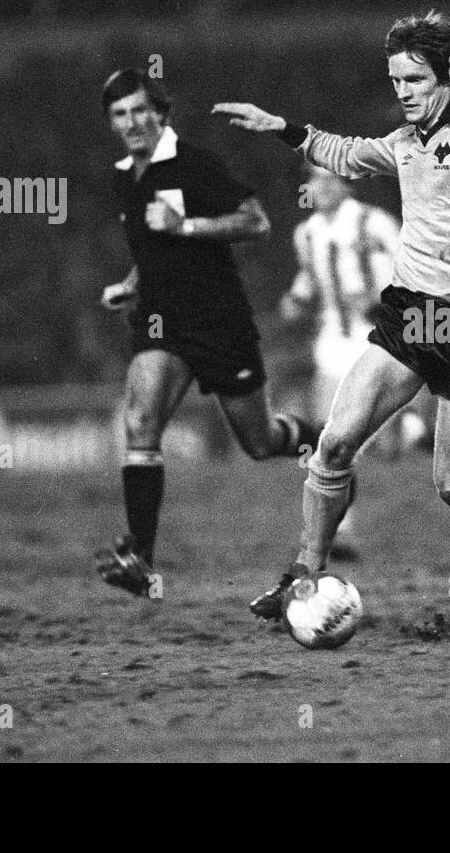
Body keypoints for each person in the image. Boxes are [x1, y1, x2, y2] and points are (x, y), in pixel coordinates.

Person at [213, 10, 450, 618]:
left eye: (414, 80)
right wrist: (282, 128)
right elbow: (346, 155)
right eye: (395, 80)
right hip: (410, 315)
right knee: (334, 443)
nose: (402, 92)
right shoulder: (403, 143)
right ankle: (304, 574)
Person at [95, 68, 320, 597]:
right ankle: (140, 558)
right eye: (119, 115)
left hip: (218, 321)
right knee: (141, 418)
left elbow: (256, 221)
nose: (131, 123)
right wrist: (131, 284)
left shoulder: (195, 165)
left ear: (161, 114)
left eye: (139, 111)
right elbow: (150, 250)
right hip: (161, 321)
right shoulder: (124, 175)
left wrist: (188, 227)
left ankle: (320, 441)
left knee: (261, 443)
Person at [281, 163, 428, 556]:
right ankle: (340, 530)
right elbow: (309, 276)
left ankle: (407, 430)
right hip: (332, 344)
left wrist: (378, 298)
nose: (319, 186)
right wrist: (296, 300)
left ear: (347, 183)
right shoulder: (306, 233)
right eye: (313, 178)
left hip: (376, 340)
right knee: (329, 438)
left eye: (327, 179)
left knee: (378, 446)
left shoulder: (374, 222)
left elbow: (412, 267)